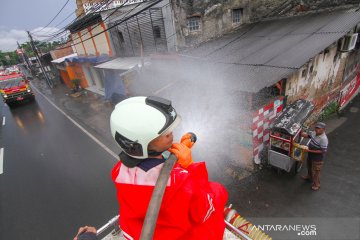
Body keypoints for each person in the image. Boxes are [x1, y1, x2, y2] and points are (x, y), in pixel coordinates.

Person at [110, 96, 228, 240]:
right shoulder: (179, 182)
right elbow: (204, 210)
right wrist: (190, 168)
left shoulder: (118, 171)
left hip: (138, 232)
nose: (171, 133)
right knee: (217, 191)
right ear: (140, 145)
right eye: (164, 133)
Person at [301, 122, 329, 191]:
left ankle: (317, 184)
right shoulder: (314, 133)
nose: (317, 129)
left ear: (323, 129)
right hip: (311, 155)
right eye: (316, 127)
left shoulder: (324, 139)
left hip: (317, 158)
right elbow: (308, 136)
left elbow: (323, 151)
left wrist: (309, 151)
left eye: (319, 128)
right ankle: (309, 177)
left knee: (316, 172)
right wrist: (300, 133)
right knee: (309, 166)